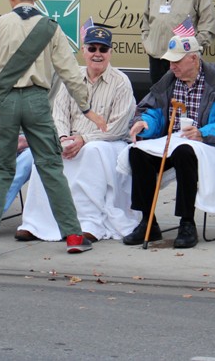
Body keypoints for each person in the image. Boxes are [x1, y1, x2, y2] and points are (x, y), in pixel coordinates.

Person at [0, 0, 107, 256]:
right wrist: (87, 108)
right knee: (51, 168)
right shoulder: (51, 28)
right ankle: (72, 236)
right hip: (36, 102)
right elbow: (69, 73)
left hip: (2, 103)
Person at [15, 26, 139, 242]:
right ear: (84, 50)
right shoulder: (71, 79)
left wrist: (84, 139)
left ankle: (88, 224)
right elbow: (59, 113)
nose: (97, 54)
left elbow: (118, 127)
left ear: (110, 52)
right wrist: (63, 138)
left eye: (103, 49)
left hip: (110, 144)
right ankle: (36, 223)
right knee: (46, 153)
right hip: (72, 139)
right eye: (92, 48)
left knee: (92, 151)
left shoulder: (121, 83)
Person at [121, 34, 215, 249]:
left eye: (177, 61)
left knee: (184, 152)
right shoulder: (169, 81)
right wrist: (144, 123)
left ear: (194, 59)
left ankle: (187, 222)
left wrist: (203, 133)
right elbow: (151, 110)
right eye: (170, 60)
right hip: (174, 139)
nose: (172, 65)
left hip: (211, 144)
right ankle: (148, 221)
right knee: (137, 152)